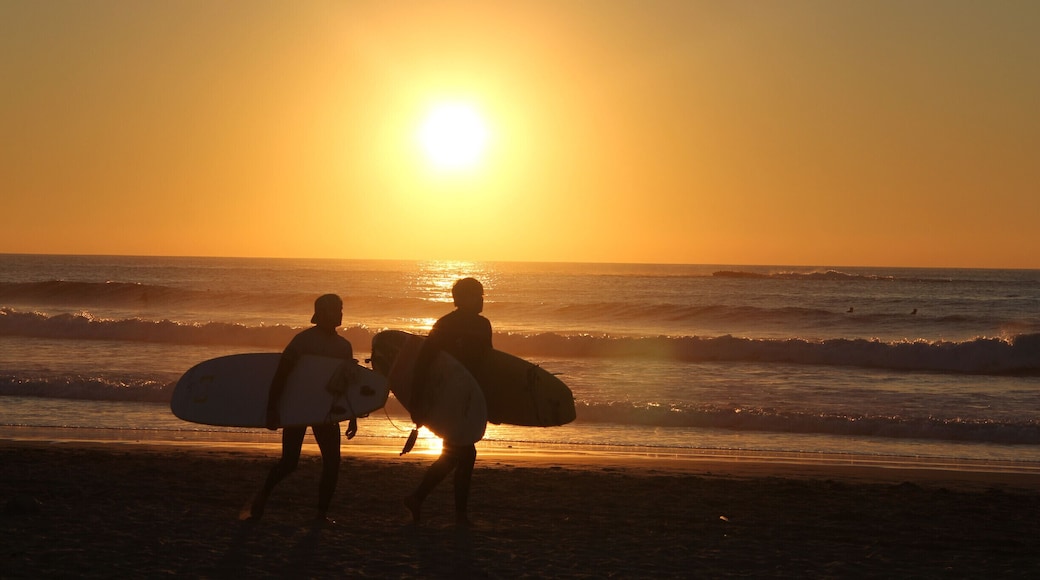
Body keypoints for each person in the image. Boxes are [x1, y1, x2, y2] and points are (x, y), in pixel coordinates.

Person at [243, 293, 356, 523]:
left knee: (333, 464)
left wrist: (352, 416)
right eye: (335, 309)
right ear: (322, 313)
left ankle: (321, 515)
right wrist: (273, 408)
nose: (340, 313)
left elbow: (344, 384)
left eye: (341, 309)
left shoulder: (344, 347)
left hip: (325, 411)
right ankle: (261, 497)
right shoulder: (303, 341)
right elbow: (282, 375)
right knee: (289, 462)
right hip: (298, 408)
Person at [403, 277, 492, 526]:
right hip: (450, 398)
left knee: (454, 455)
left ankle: (417, 498)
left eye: (483, 295)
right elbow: (425, 363)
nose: (482, 300)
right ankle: (458, 515)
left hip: (466, 398)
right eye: (477, 296)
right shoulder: (450, 324)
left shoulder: (479, 325)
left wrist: (485, 403)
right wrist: (418, 402)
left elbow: (486, 364)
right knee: (464, 454)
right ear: (460, 299)